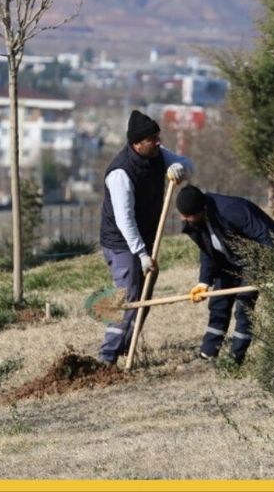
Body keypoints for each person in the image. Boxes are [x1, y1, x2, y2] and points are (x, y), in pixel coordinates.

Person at [98, 110, 194, 366]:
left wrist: (179, 168)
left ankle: (126, 349)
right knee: (129, 297)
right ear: (137, 143)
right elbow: (124, 220)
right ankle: (106, 357)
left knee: (145, 296)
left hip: (147, 237)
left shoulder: (158, 156)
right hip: (122, 243)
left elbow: (189, 165)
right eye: (152, 138)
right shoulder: (121, 173)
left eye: (157, 136)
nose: (158, 142)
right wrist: (140, 254)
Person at [175, 184, 274, 366]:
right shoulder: (196, 221)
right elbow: (208, 251)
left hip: (255, 257)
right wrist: (204, 281)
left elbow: (271, 237)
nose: (184, 220)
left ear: (200, 210)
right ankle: (208, 354)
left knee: (244, 305)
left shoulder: (233, 210)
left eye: (188, 216)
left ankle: (236, 359)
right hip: (229, 259)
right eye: (183, 216)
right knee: (219, 303)